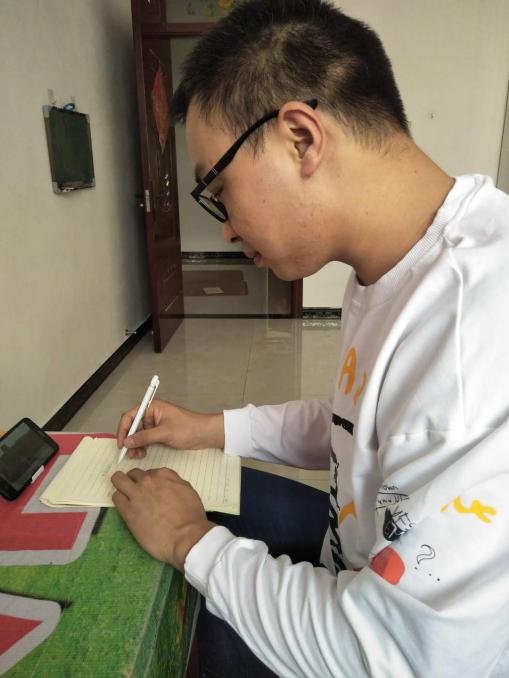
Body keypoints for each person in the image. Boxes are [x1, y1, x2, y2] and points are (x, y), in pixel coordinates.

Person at [111, 1, 509, 675]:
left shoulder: (473, 331)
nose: (226, 228)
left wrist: (188, 540)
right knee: (168, 491)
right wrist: (208, 428)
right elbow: (357, 423)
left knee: (163, 609)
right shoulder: (395, 263)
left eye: (219, 188)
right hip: (353, 549)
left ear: (301, 137)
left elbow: (398, 657)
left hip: (388, 644)